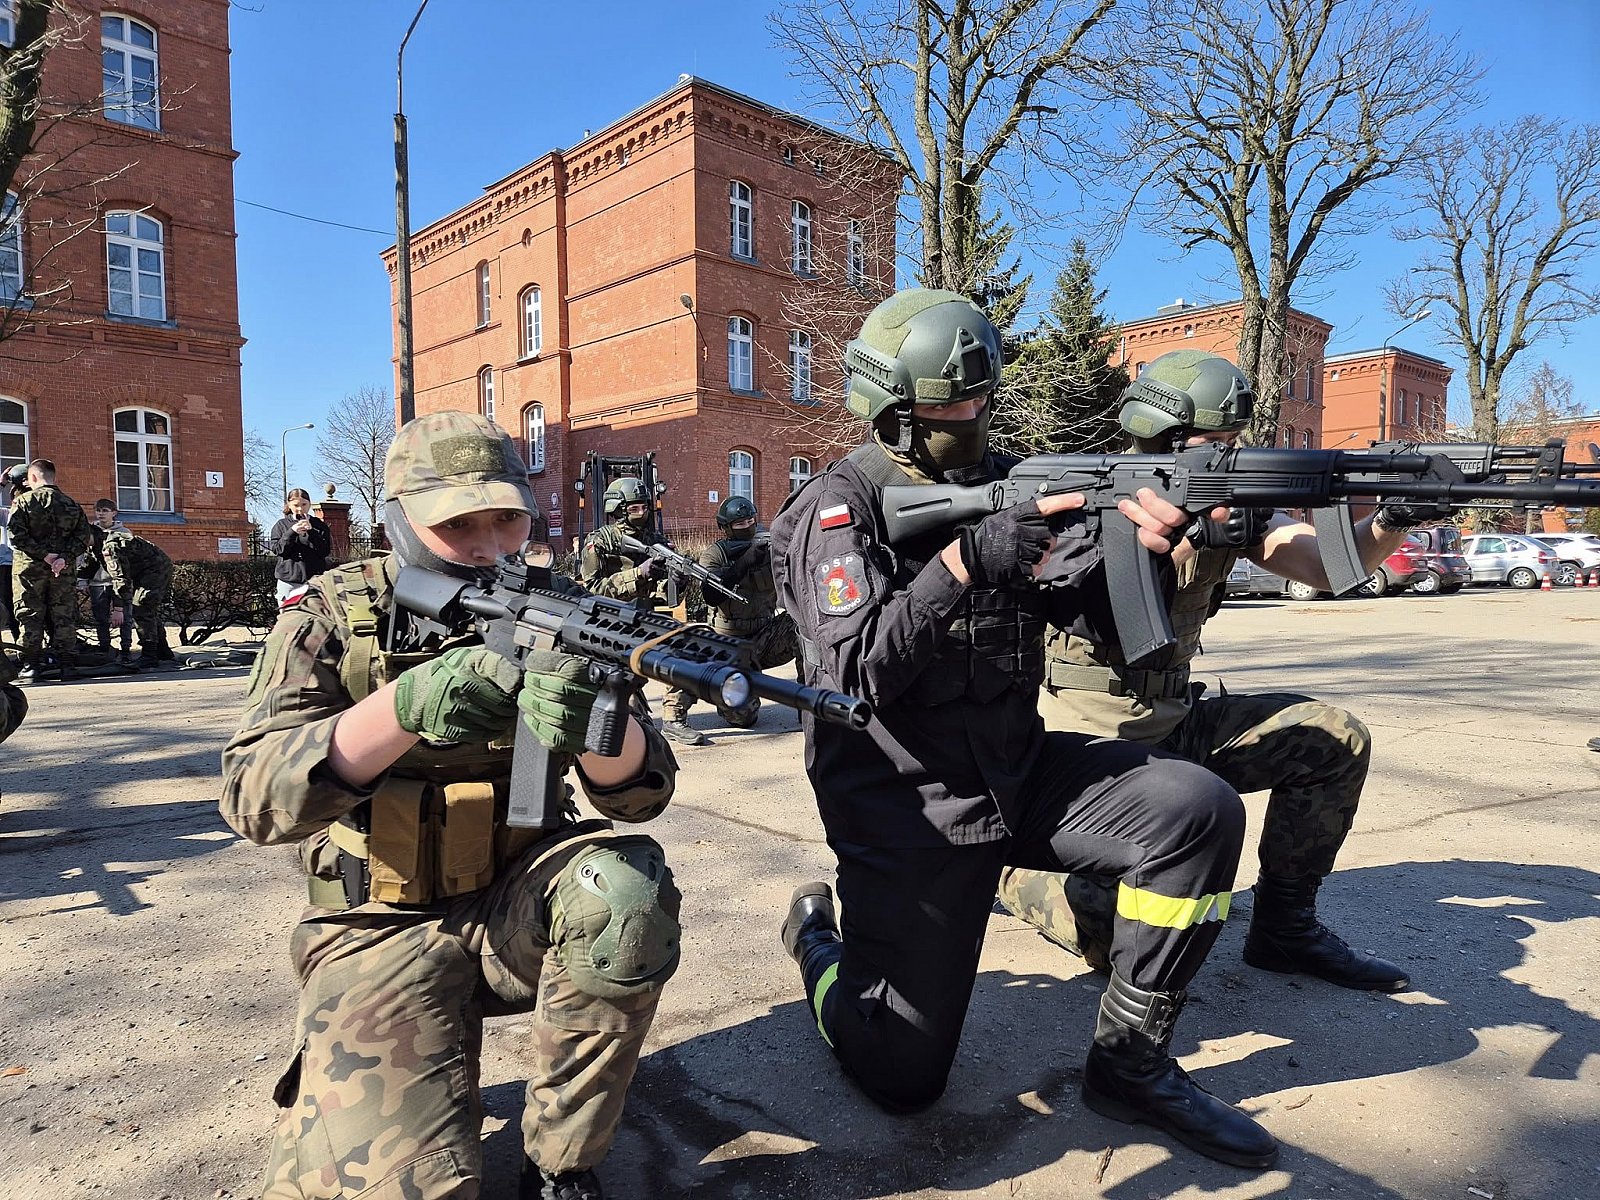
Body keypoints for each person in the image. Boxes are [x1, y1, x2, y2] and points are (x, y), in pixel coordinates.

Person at [771, 289, 1276, 1169]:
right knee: (902, 1079)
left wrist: (1149, 550)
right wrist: (963, 563)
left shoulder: (1020, 481)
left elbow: (1109, 631)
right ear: (890, 407)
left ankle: (1129, 1065)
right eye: (948, 406)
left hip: (1013, 769)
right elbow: (856, 673)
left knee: (1196, 810)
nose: (970, 418)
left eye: (980, 399)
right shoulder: (838, 507)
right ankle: (816, 940)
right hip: (906, 805)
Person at [220, 411, 682, 1200]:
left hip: (521, 905)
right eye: (457, 524)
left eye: (506, 520)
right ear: (399, 522)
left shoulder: (563, 608)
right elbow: (251, 798)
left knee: (624, 893)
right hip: (378, 922)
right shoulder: (331, 614)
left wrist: (599, 726)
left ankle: (561, 1162)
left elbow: (642, 797)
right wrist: (402, 708)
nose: (488, 545)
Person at [997, 350, 1414, 993]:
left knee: (1333, 738)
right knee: (1126, 936)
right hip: (1085, 753)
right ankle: (1011, 870)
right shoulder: (1080, 500)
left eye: (1234, 441)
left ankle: (1285, 929)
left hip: (1176, 723)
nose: (1228, 455)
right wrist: (1186, 536)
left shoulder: (1227, 503)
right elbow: (1091, 600)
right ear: (1159, 435)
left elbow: (1326, 566)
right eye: (1212, 443)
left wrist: (1392, 519)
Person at [578, 478, 701, 746]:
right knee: (631, 721)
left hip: (646, 620)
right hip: (611, 626)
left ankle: (674, 719)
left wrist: (677, 583)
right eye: (634, 508)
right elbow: (592, 591)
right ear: (618, 509)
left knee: (686, 653)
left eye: (645, 507)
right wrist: (637, 574)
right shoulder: (600, 542)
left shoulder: (656, 542)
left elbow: (664, 597)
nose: (642, 513)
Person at [672, 495, 800, 731]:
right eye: (740, 524)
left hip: (765, 637)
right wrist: (745, 563)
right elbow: (711, 596)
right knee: (743, 718)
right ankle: (717, 695)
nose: (747, 527)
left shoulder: (768, 546)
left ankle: (809, 705)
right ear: (726, 528)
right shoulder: (715, 555)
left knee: (801, 625)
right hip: (729, 643)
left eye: (751, 521)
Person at [8, 458, 91, 683]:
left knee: (29, 615)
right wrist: (63, 558)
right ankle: (67, 665)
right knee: (64, 615)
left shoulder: (23, 501)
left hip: (29, 570)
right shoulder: (72, 504)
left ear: (33, 477)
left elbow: (16, 535)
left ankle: (31, 666)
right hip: (62, 571)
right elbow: (83, 538)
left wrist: (44, 555)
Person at [101, 521, 175, 670]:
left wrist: (118, 608)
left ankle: (150, 655)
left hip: (155, 570)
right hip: (146, 572)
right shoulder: (96, 546)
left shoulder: (110, 546)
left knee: (142, 607)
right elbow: (87, 569)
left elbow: (121, 580)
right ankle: (163, 651)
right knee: (147, 609)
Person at [80, 500, 135, 665]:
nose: (101, 514)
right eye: (98, 510)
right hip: (97, 582)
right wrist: (82, 580)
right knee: (101, 618)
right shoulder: (90, 532)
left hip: (120, 582)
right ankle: (105, 649)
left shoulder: (123, 533)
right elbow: (83, 557)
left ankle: (126, 650)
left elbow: (129, 560)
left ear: (114, 513)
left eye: (105, 510)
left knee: (125, 617)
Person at [268, 488, 333, 603]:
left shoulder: (319, 525)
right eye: (296, 505)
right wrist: (292, 532)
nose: (300, 509)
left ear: (309, 504)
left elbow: (324, 551)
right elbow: (278, 550)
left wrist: (312, 532)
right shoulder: (281, 525)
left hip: (315, 581)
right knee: (288, 613)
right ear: (289, 505)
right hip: (289, 582)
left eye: (304, 504)